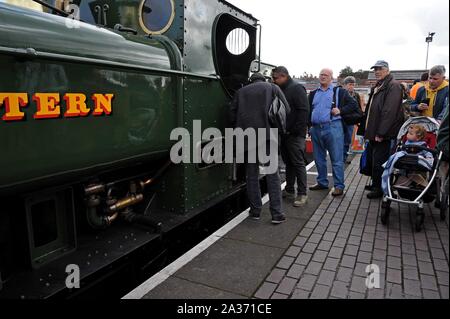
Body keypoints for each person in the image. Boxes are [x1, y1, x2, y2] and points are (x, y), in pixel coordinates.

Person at [229, 72, 289, 224]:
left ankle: (255, 210)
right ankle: (276, 214)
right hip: (268, 136)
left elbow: (231, 115)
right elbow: (285, 109)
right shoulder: (272, 88)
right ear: (264, 79)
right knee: (272, 174)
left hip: (246, 137)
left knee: (251, 175)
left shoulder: (241, 92)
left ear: (250, 81)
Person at [308, 68, 358, 197]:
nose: (323, 77)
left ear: (332, 78)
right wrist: (309, 126)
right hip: (316, 128)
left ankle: (339, 186)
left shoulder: (339, 92)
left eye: (326, 75)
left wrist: (340, 110)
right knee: (319, 158)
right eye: (321, 74)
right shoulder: (313, 93)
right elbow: (308, 110)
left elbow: (353, 106)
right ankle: (322, 182)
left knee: (336, 158)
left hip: (333, 127)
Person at [364, 60, 404, 199]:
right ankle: (375, 183)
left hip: (383, 133)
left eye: (380, 69)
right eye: (375, 69)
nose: (377, 71)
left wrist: (381, 132)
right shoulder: (380, 85)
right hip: (374, 131)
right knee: (373, 159)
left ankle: (378, 188)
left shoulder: (393, 86)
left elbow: (389, 112)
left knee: (380, 161)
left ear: (387, 70)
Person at [271, 66, 310, 207]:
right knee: (289, 163)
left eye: (275, 78)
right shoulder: (282, 89)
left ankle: (302, 193)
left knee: (298, 163)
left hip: (294, 134)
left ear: (283, 76)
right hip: (285, 133)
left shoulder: (297, 88)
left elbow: (304, 111)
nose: (273, 81)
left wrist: (294, 130)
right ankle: (289, 189)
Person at [384, 124, 434, 193]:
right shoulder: (406, 143)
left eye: (410, 133)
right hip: (406, 163)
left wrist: (429, 159)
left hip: (418, 165)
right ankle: (401, 183)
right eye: (407, 132)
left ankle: (421, 184)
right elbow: (401, 151)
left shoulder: (423, 145)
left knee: (420, 173)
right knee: (401, 170)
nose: (407, 135)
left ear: (418, 138)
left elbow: (428, 153)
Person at [342, 76, 363, 164]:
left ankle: (344, 157)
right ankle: (339, 157)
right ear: (345, 85)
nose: (352, 86)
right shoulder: (341, 94)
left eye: (353, 84)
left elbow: (359, 108)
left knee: (347, 140)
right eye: (350, 84)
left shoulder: (356, 95)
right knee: (339, 140)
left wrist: (358, 118)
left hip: (351, 121)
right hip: (341, 120)